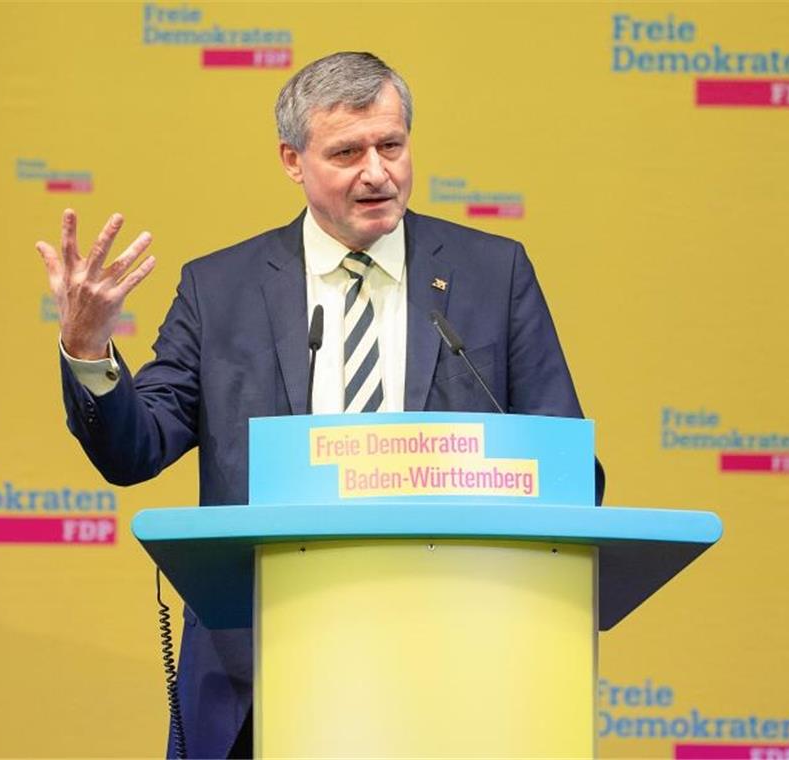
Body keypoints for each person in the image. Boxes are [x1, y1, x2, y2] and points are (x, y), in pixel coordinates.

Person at [37, 51, 600, 759]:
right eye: (347, 152)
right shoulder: (222, 290)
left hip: (460, 660)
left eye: (391, 145)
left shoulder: (494, 272)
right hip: (263, 671)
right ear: (292, 160)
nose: (377, 172)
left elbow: (574, 472)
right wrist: (88, 350)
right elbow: (135, 449)